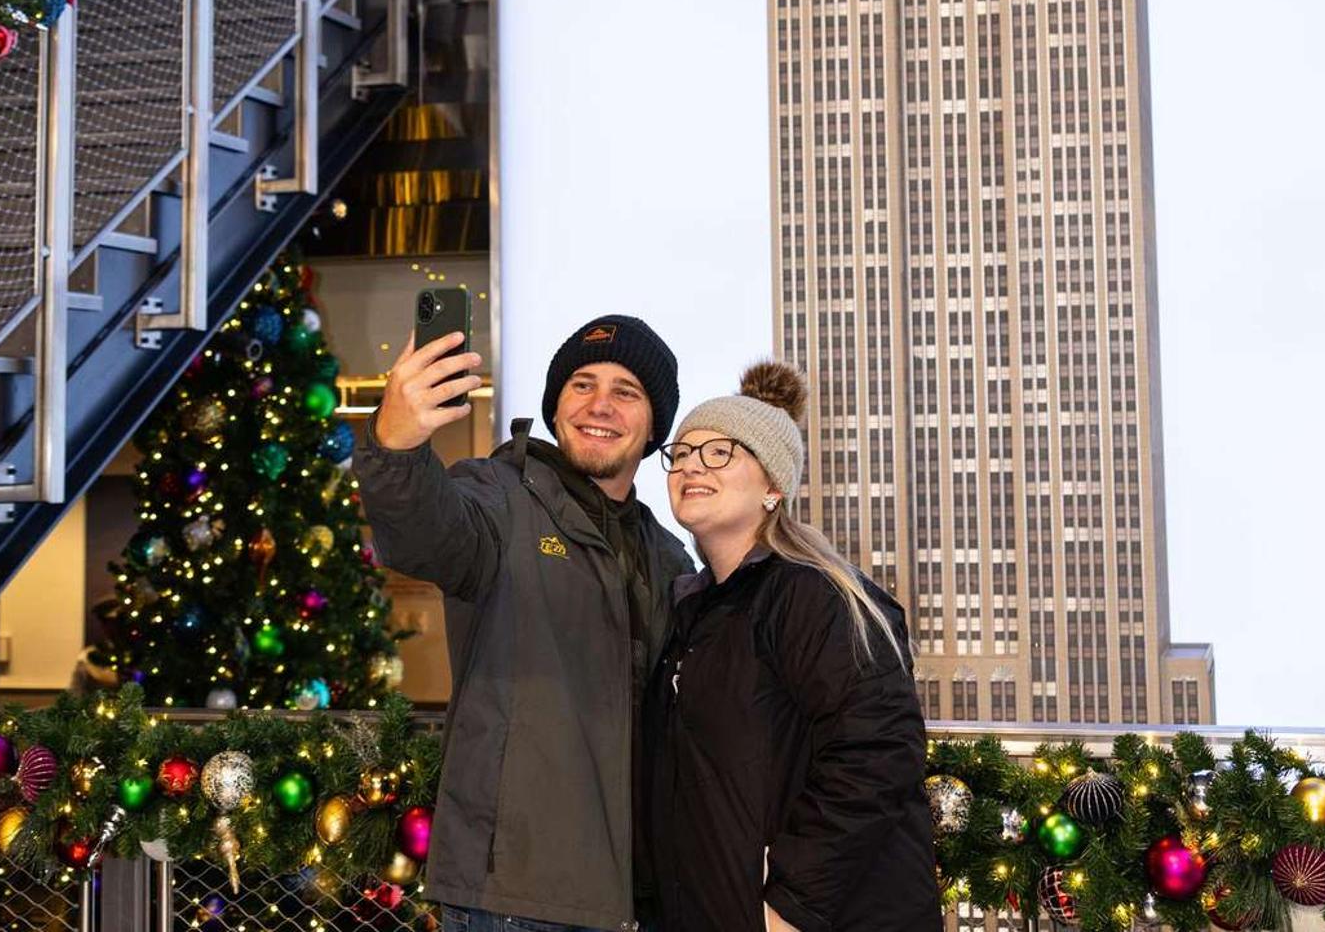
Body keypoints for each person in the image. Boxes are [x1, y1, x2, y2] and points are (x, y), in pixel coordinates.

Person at [356, 314, 694, 932]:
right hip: (514, 898)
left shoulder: (669, 556)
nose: (601, 405)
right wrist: (395, 442)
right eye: (582, 384)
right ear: (556, 405)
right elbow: (424, 533)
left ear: (654, 426)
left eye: (627, 391)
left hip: (641, 897)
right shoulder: (499, 497)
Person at [644, 362, 937, 932]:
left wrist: (789, 905)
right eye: (681, 454)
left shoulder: (813, 594)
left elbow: (878, 754)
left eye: (720, 452)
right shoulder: (691, 610)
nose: (690, 467)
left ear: (773, 486)